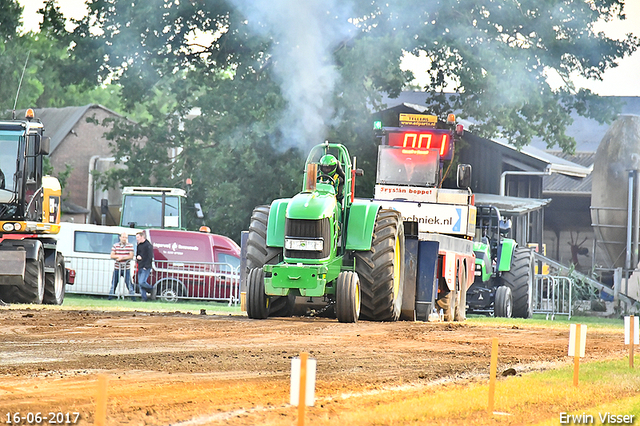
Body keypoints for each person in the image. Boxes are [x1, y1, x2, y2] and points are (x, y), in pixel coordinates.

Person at [108, 232, 135, 300]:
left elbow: (131, 256)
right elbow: (112, 255)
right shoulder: (115, 245)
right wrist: (118, 257)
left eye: (126, 237)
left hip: (126, 268)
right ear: (120, 237)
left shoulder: (130, 245)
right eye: (123, 237)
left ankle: (133, 298)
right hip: (117, 268)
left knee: (129, 284)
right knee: (114, 283)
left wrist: (121, 258)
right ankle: (110, 297)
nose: (124, 239)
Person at [135, 231, 155, 301]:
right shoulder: (139, 245)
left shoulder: (148, 245)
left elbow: (150, 257)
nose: (137, 239)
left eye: (138, 237)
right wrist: (137, 257)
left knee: (142, 282)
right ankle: (144, 298)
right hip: (140, 265)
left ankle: (151, 289)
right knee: (140, 284)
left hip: (146, 267)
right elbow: (137, 254)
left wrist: (146, 266)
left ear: (142, 237)